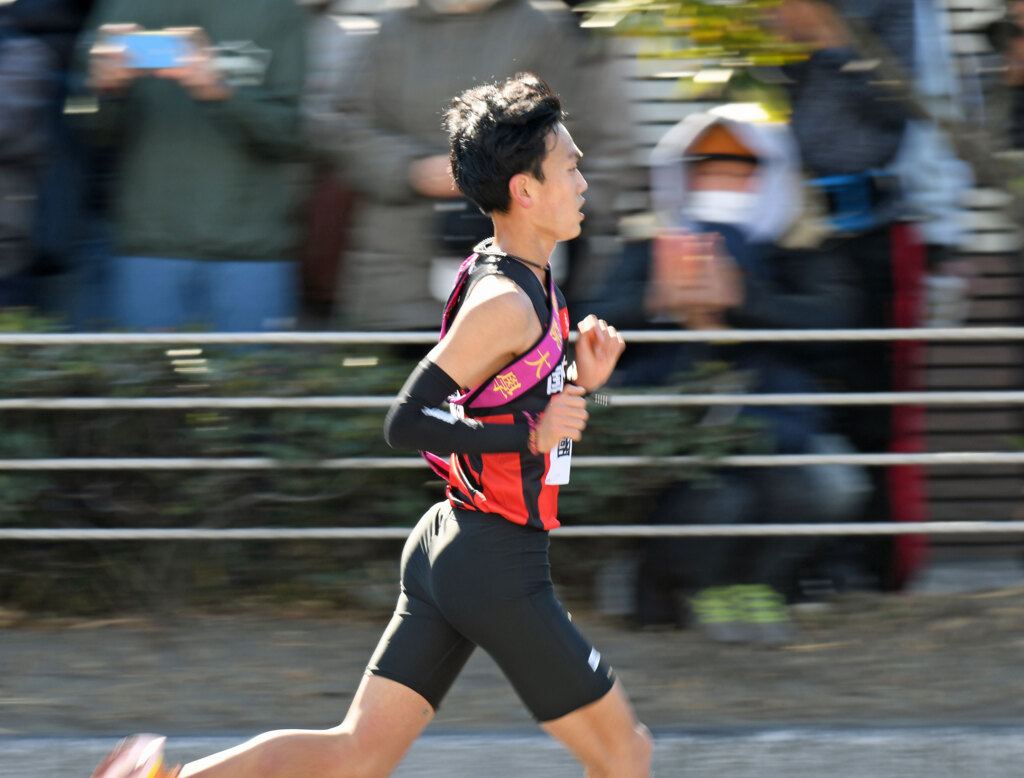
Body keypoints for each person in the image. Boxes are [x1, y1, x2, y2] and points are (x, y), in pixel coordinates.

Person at [92, 73, 651, 778]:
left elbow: (509, 401)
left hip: (456, 544)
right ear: (524, 190)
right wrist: (531, 433)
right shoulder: (505, 302)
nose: (584, 182)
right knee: (628, 755)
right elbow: (407, 421)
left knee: (355, 755)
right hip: (494, 562)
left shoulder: (532, 279)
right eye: (570, 167)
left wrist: (580, 383)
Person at [587, 112, 865, 640]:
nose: (719, 185)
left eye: (737, 172)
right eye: (705, 171)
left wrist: (743, 300)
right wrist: (656, 302)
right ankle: (688, 585)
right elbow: (587, 322)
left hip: (782, 421)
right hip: (674, 429)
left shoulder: (800, 245)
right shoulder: (649, 243)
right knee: (718, 498)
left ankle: (761, 585)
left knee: (824, 486)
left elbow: (834, 326)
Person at [331, 0, 635, 331]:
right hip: (401, 278)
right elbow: (344, 129)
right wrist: (410, 170)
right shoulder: (391, 30)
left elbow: (603, 142)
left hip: (520, 278)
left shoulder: (546, 28)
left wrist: (564, 214)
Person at [77, 0, 307, 332]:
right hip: (148, 247)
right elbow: (85, 128)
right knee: (143, 382)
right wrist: (105, 89)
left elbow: (292, 135)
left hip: (250, 251)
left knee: (252, 383)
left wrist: (218, 90)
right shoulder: (121, 6)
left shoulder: (277, 10)